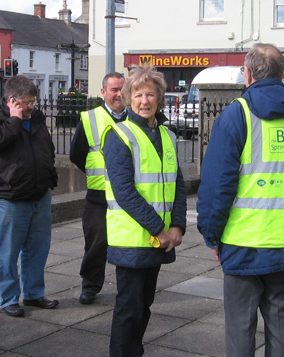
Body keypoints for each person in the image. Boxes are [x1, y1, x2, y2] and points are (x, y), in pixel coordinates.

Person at [196, 44, 284, 357]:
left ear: (247, 74)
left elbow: (218, 186)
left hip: (243, 243)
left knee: (240, 329)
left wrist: (211, 234)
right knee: (283, 324)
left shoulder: (236, 116)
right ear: (282, 74)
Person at [102, 64, 187, 356]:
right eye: (138, 94)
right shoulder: (119, 135)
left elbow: (177, 183)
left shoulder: (167, 136)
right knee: (129, 309)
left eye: (151, 95)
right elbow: (125, 191)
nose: (144, 101)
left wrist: (177, 225)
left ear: (159, 98)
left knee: (144, 307)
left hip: (158, 238)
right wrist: (159, 229)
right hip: (133, 238)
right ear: (128, 98)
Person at [0, 75, 59, 318]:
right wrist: (14, 120)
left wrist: (49, 179)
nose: (32, 106)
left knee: (37, 249)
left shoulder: (36, 119)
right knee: (7, 253)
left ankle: (34, 293)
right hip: (9, 199)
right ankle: (9, 299)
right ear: (12, 101)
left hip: (39, 196)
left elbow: (46, 150)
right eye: (26, 102)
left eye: (33, 101)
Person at [69, 72, 127, 305]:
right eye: (113, 89)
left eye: (122, 89)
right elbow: (77, 154)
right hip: (99, 196)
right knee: (95, 243)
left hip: (130, 196)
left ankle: (127, 288)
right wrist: (99, 174)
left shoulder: (137, 116)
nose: (119, 94)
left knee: (128, 244)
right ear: (103, 92)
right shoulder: (90, 118)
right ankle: (90, 287)